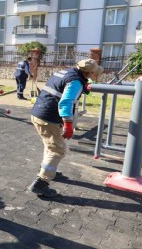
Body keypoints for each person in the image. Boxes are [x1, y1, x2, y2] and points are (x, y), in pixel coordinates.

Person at [28, 59, 103, 197]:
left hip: (39, 114)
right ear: (87, 72)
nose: (94, 75)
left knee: (51, 146)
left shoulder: (66, 72)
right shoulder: (75, 81)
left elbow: (60, 88)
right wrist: (68, 124)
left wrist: (83, 87)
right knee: (58, 150)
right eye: (93, 73)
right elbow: (66, 101)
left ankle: (48, 170)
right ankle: (41, 183)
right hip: (49, 118)